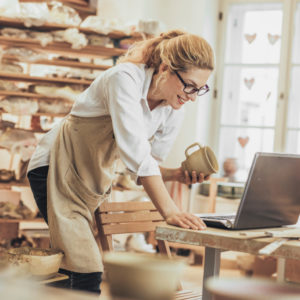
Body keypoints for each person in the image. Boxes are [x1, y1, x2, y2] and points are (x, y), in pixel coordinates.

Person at [27, 29, 214, 294]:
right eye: (190, 85)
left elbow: (146, 165)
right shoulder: (123, 78)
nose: (193, 96)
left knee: (77, 267)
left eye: (200, 89)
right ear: (165, 68)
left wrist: (176, 175)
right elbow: (137, 155)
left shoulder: (173, 108)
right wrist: (170, 211)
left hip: (90, 181)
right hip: (54, 169)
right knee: (84, 269)